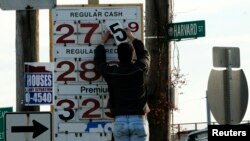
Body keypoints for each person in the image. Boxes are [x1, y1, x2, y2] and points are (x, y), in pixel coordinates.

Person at [94, 28, 150, 141]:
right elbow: (145, 54)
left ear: (118, 56)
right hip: (139, 120)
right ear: (132, 54)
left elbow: (99, 64)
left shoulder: (113, 72)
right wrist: (132, 37)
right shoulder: (140, 69)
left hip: (120, 120)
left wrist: (102, 42)